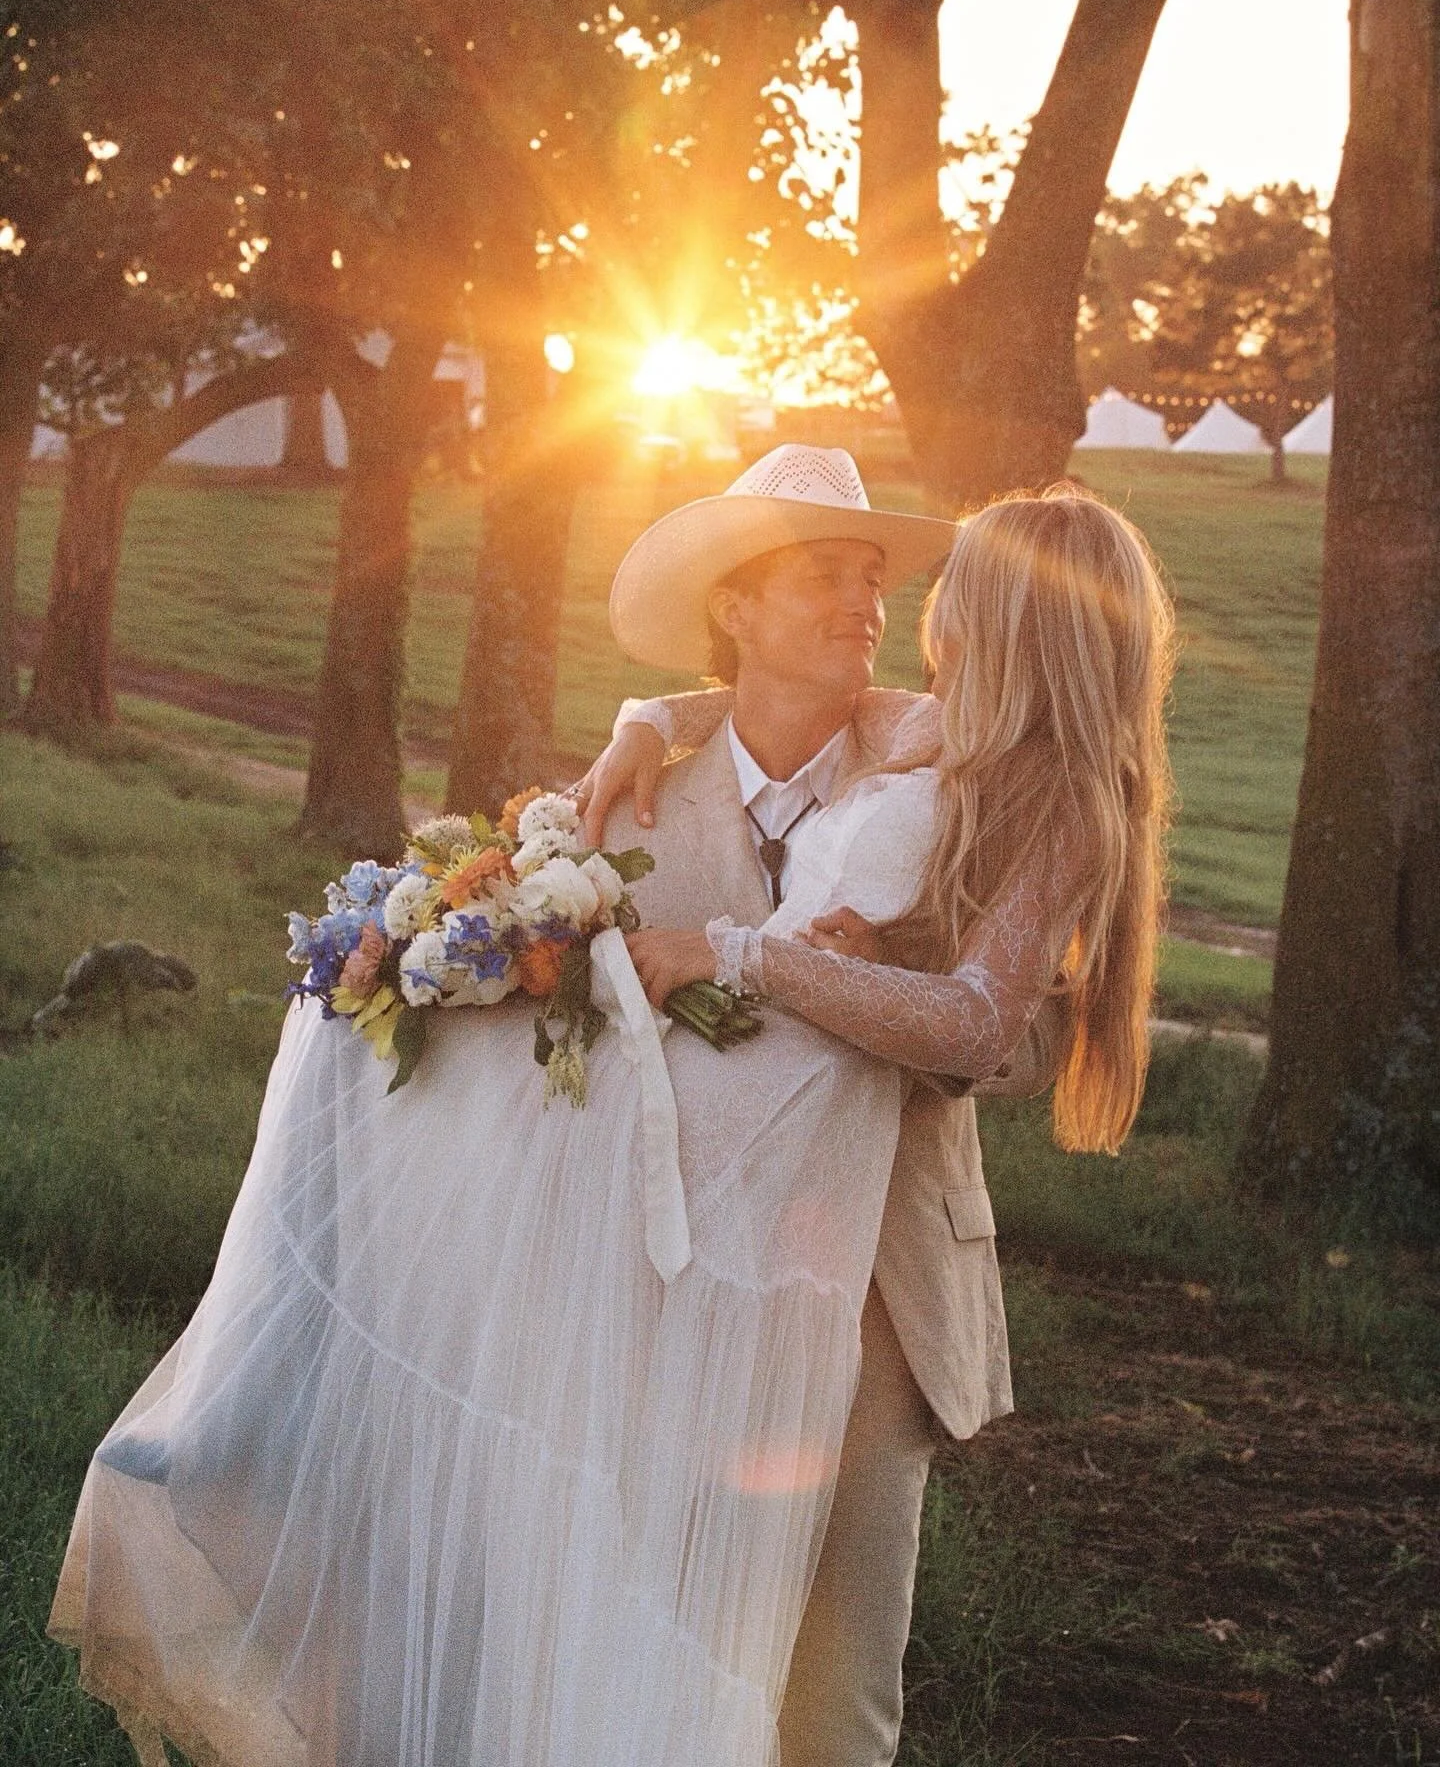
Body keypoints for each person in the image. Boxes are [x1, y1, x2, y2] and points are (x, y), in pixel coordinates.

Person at [49, 449, 1172, 1767]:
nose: (884, 612)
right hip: (656, 1267)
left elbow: (1006, 1029)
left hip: (876, 1274)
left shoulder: (946, 756)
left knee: (833, 1689)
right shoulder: (658, 780)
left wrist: (789, 972)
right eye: (831, 575)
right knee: (650, 1619)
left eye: (888, 581)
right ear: (738, 607)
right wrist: (650, 716)